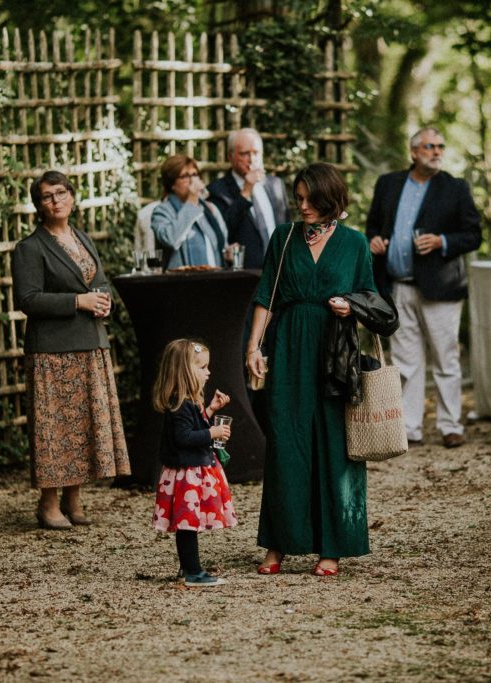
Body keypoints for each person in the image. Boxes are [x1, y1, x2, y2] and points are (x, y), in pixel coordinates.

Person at [246, 162, 382, 577]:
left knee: (334, 443)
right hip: (288, 345)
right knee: (286, 442)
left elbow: (371, 297)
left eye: (310, 199)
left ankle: (332, 546)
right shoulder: (283, 237)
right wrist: (254, 346)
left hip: (335, 352)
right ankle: (278, 543)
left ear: (330, 198)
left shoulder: (355, 243)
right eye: (298, 198)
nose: (302, 206)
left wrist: (350, 305)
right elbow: (266, 293)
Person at [12, 170, 130, 530]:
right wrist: (78, 301)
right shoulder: (30, 248)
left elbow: (98, 281)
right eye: (47, 197)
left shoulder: (82, 238)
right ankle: (48, 504)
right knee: (55, 430)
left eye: (61, 193)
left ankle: (73, 499)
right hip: (52, 353)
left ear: (72, 198)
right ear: (38, 205)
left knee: (82, 427)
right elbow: (27, 299)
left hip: (90, 344)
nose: (55, 201)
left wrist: (103, 300)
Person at [365, 126, 482, 448]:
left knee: (446, 359)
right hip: (398, 286)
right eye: (430, 146)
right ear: (414, 151)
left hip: (441, 289)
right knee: (405, 361)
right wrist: (373, 240)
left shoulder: (455, 188)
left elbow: (474, 235)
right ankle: (410, 427)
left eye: (441, 146)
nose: (437, 152)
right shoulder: (388, 184)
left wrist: (442, 241)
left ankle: (449, 425)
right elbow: (373, 226)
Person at [151, 339, 237, 587]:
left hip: (191, 471)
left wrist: (210, 411)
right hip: (186, 474)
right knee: (187, 525)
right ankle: (193, 572)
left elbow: (192, 426)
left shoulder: (187, 402)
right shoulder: (179, 404)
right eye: (202, 367)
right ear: (185, 371)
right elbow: (184, 437)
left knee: (189, 524)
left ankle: (188, 567)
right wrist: (213, 433)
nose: (208, 372)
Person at [207, 128, 291, 270]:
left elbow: (287, 228)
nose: (251, 159)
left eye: (256, 153)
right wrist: (246, 190)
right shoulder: (217, 190)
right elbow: (222, 232)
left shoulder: (275, 184)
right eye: (244, 154)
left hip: (280, 273)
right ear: (230, 156)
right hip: (244, 275)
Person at [151, 154, 230, 269]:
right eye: (185, 176)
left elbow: (221, 245)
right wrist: (192, 201)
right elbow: (170, 239)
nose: (192, 181)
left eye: (194, 175)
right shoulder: (162, 211)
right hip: (181, 283)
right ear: (172, 184)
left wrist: (229, 252)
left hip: (214, 280)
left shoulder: (210, 209)